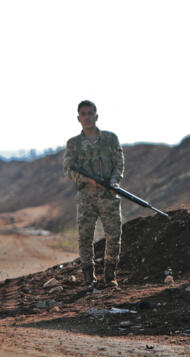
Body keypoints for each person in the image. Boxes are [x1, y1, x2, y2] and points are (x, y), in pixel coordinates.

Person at [62, 100, 124, 288]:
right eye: (84, 114)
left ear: (96, 116)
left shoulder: (110, 139)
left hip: (109, 195)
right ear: (78, 118)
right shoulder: (73, 144)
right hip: (86, 198)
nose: (87, 117)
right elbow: (68, 170)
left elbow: (119, 163)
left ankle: (110, 275)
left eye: (90, 114)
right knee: (85, 237)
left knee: (114, 235)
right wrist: (88, 180)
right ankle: (89, 276)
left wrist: (114, 181)